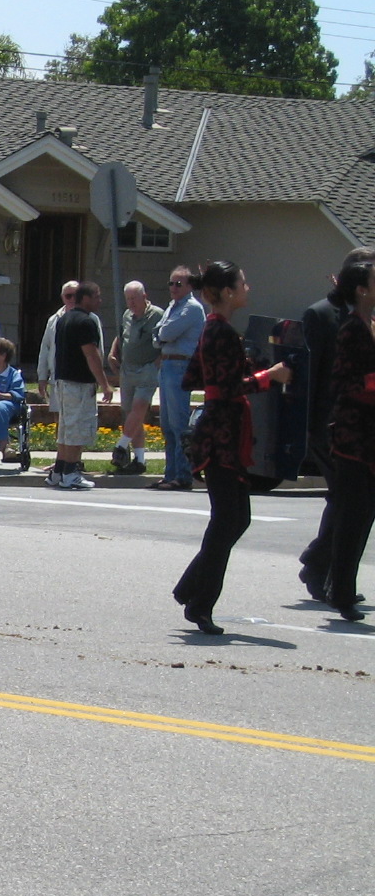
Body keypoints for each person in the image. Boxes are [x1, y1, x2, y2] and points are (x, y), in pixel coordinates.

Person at [171, 260, 294, 634]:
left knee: (233, 519)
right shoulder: (218, 331)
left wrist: (244, 365)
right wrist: (265, 376)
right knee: (229, 520)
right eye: (242, 282)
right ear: (226, 292)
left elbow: (194, 376)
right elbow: (223, 389)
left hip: (227, 434)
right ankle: (198, 601)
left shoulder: (218, 330)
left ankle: (192, 591)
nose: (247, 287)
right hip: (220, 437)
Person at [297, 247, 375, 600]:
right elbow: (314, 376)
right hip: (331, 423)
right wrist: (309, 427)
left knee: (351, 501)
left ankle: (326, 572)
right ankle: (321, 569)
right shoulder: (320, 314)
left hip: (362, 425)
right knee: (348, 501)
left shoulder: (368, 317)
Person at [46, 281, 109, 491]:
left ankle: (58, 471)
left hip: (62, 381)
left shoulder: (64, 320)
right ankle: (70, 474)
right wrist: (105, 384)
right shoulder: (85, 322)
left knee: (65, 429)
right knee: (77, 429)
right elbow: (92, 355)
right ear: (86, 298)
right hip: (79, 384)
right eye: (97, 296)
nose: (100, 301)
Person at [154, 265, 206, 491]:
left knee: (178, 423)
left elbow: (164, 333)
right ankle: (169, 474)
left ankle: (183, 475)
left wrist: (162, 334)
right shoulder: (172, 307)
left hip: (180, 365)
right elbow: (156, 335)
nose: (173, 288)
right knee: (166, 424)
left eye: (179, 284)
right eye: (171, 283)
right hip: (166, 365)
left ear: (189, 286)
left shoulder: (192, 308)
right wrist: (162, 334)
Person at [108, 280, 165, 474]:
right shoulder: (127, 315)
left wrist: (157, 362)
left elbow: (167, 338)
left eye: (134, 298)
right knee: (131, 414)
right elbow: (122, 334)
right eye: (128, 299)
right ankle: (139, 460)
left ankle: (121, 446)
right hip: (128, 370)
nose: (131, 303)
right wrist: (113, 352)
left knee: (139, 407)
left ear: (144, 296)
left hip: (147, 369)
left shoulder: (157, 315)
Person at [34, 279, 79, 400]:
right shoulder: (53, 320)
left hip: (80, 379)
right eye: (69, 296)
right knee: (57, 415)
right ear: (62, 297)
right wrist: (42, 377)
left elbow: (98, 350)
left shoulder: (91, 318)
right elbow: (45, 348)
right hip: (57, 377)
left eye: (76, 295)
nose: (73, 299)